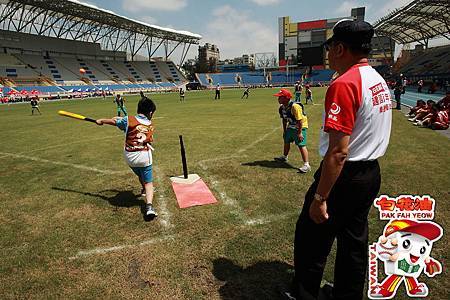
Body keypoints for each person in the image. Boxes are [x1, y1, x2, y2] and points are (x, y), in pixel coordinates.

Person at [287, 20, 392, 300]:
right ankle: (348, 294)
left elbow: (338, 151)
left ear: (341, 48)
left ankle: (304, 294)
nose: (328, 54)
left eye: (331, 47)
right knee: (354, 242)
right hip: (370, 172)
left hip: (345, 175)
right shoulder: (377, 79)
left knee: (311, 236)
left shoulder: (345, 84)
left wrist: (321, 198)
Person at [96, 95, 158, 220]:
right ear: (150, 113)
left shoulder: (128, 120)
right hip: (144, 157)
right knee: (148, 182)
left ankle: (143, 189)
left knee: (140, 174)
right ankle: (149, 206)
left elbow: (116, 122)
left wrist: (102, 120)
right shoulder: (150, 125)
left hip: (130, 157)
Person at [273, 88, 311, 173]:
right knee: (286, 140)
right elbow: (284, 120)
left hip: (300, 126)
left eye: (280, 97)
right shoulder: (281, 108)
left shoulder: (295, 106)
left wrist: (300, 133)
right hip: (291, 125)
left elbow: (300, 121)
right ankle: (284, 157)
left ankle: (306, 164)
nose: (278, 99)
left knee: (301, 144)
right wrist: (285, 131)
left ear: (286, 98)